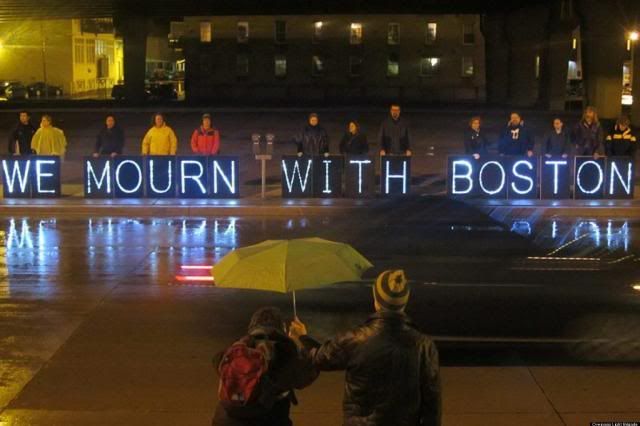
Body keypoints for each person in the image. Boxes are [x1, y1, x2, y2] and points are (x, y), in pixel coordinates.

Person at [289, 270, 441, 426]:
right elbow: (432, 403)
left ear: (376, 300)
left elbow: (319, 358)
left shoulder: (356, 339)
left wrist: (302, 337)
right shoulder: (424, 345)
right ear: (404, 303)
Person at [212, 307, 317, 426]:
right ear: (282, 328)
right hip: (269, 420)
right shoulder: (284, 351)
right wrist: (301, 337)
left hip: (225, 420)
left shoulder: (238, 349)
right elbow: (309, 372)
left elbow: (216, 360)